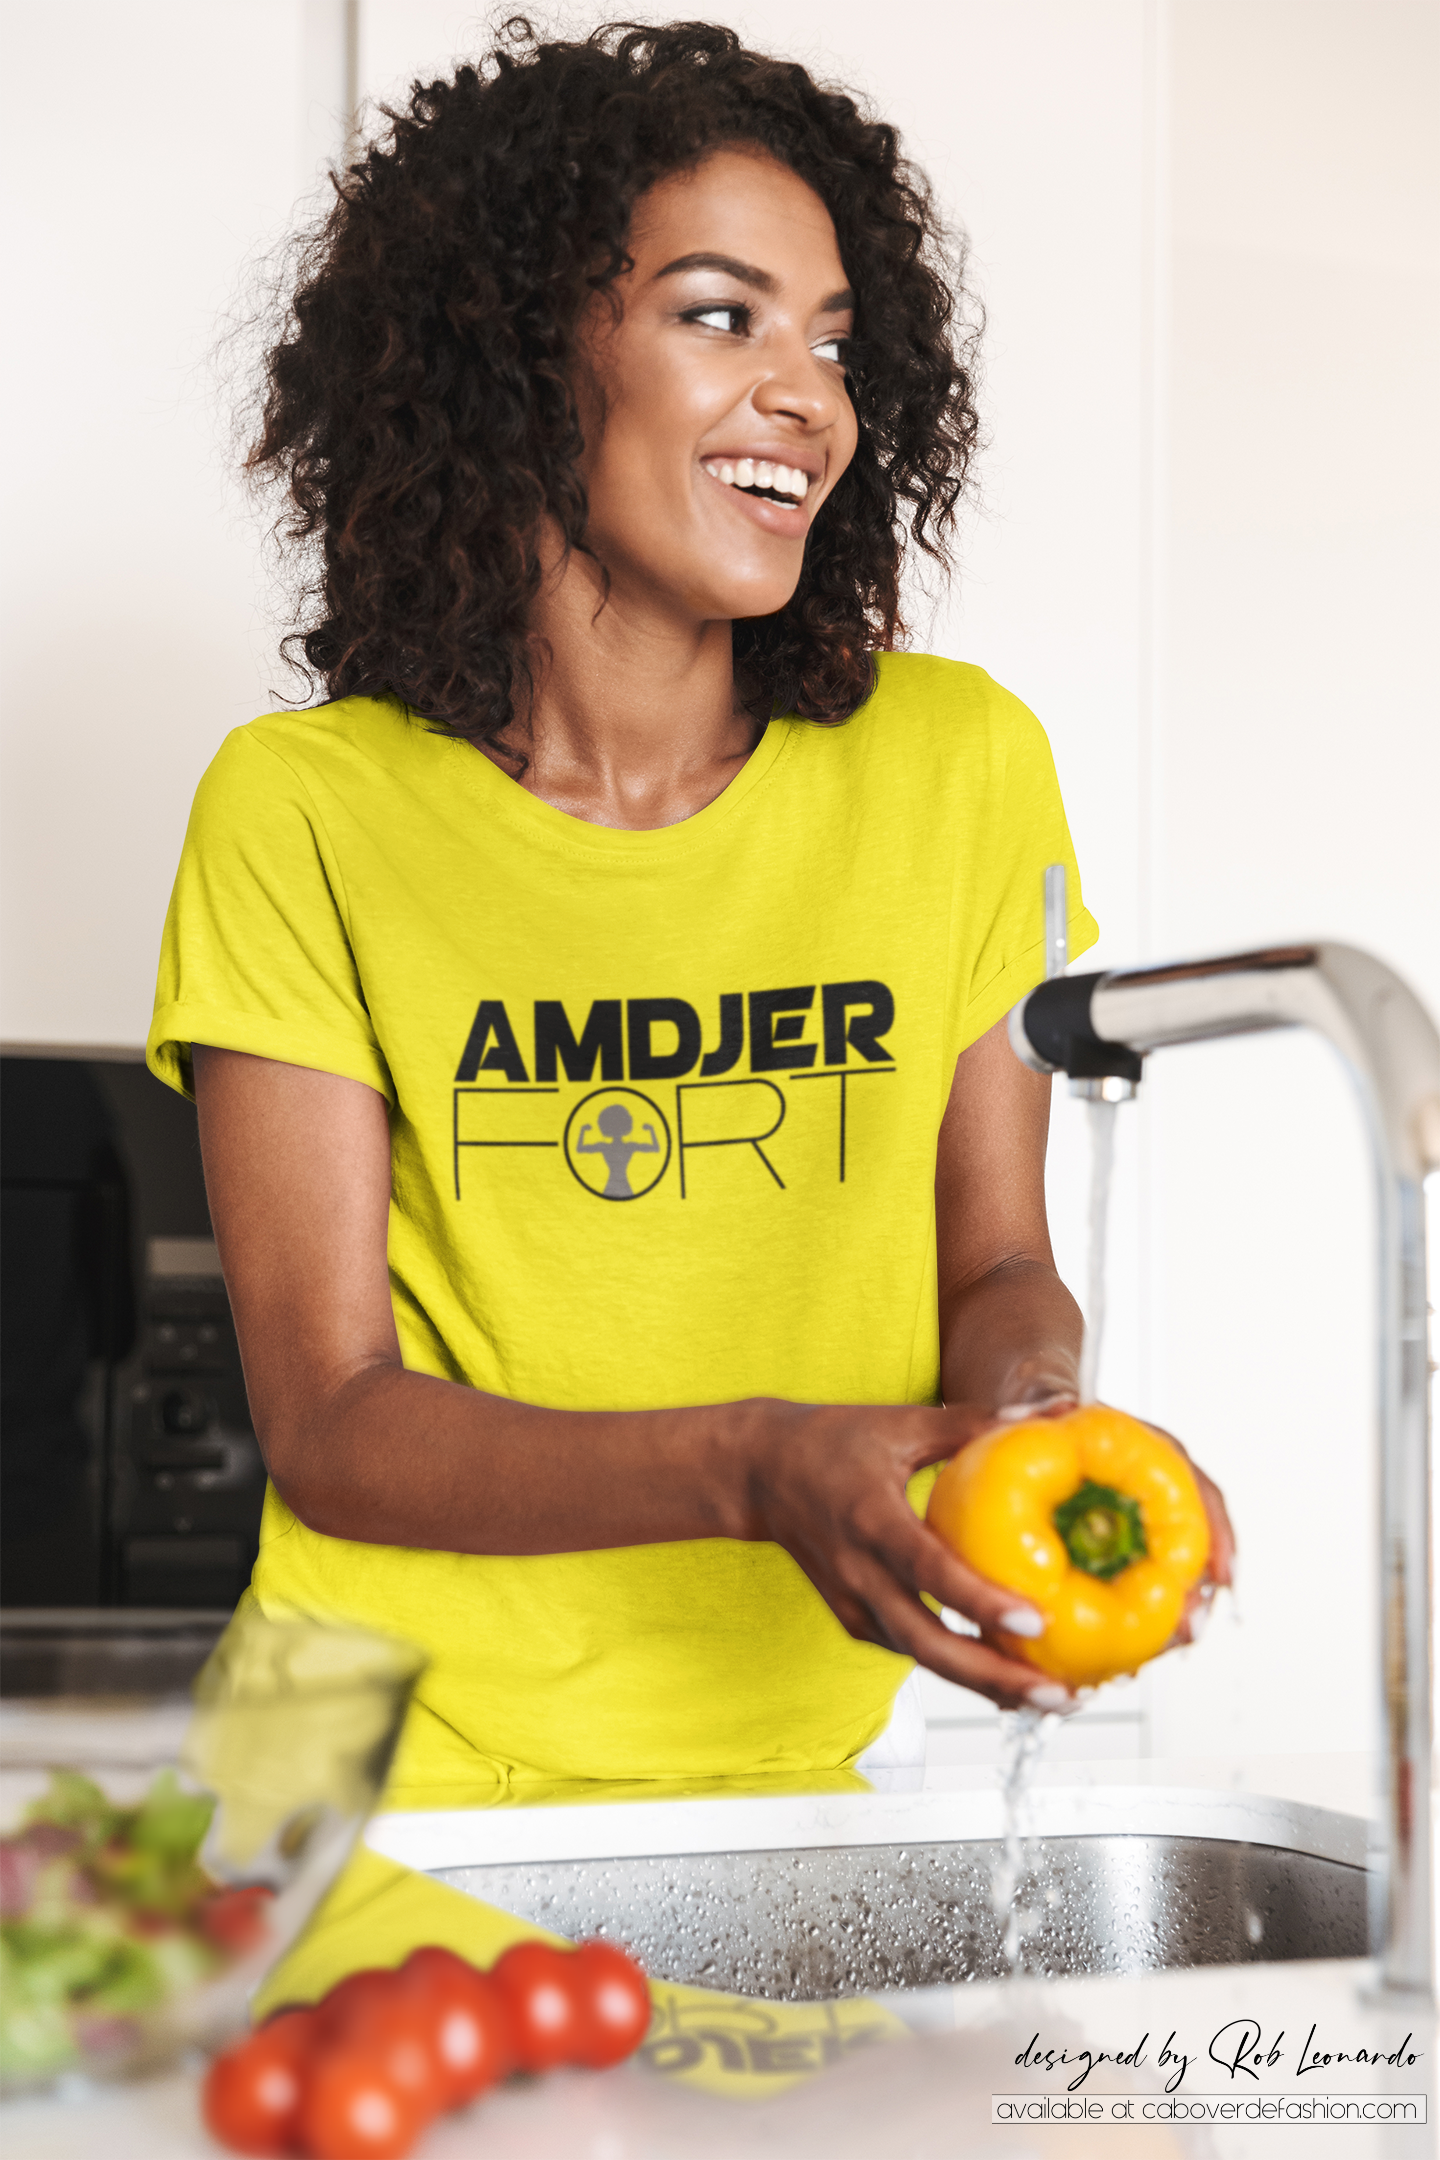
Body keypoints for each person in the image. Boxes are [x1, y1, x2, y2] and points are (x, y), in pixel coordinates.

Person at [148, 21, 1232, 1809]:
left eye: (835, 341)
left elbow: (993, 1265)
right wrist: (749, 1464)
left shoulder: (958, 768)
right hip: (339, 1768)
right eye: (722, 316)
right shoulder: (304, 810)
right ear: (518, 360)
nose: (809, 396)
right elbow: (333, 1420)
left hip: (780, 1767)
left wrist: (1037, 1417)